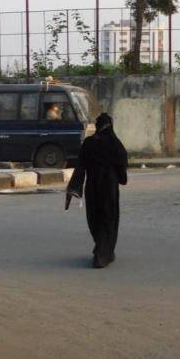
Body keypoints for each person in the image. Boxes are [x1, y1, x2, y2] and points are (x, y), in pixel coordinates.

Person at [66, 113, 128, 269]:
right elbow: (122, 174)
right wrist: (120, 177)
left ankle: (101, 249)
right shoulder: (115, 144)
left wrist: (74, 188)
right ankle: (103, 253)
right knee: (108, 218)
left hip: (92, 187)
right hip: (109, 187)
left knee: (95, 218)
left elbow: (80, 168)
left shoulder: (88, 143)